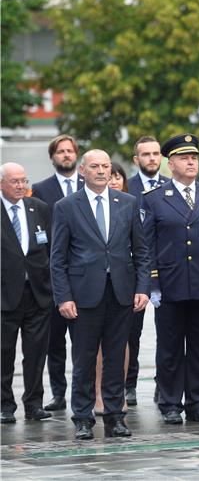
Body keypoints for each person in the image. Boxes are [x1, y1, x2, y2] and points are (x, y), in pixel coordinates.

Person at [50, 149, 150, 440]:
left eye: (106, 166)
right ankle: (82, 418)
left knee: (117, 358)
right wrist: (63, 297)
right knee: (83, 358)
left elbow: (142, 252)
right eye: (94, 166)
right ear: (82, 170)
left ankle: (115, 416)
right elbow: (58, 258)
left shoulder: (127, 203)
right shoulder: (67, 206)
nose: (102, 171)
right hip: (83, 295)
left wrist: (142, 288)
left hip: (120, 293)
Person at [141, 134, 199, 425]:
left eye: (194, 157)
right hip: (170, 285)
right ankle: (170, 402)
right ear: (170, 163)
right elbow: (147, 246)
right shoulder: (155, 199)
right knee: (170, 348)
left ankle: (197, 402)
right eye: (184, 158)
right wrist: (153, 284)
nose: (191, 162)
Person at [31, 134, 84, 412]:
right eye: (61, 152)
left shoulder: (88, 186)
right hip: (54, 277)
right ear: (53, 157)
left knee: (83, 341)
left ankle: (82, 390)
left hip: (85, 275)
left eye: (70, 151)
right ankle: (59, 393)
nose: (66, 155)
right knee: (54, 341)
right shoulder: (40, 189)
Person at [1, 163, 53, 424]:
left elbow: (52, 249)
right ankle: (4, 405)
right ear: (1, 183)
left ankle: (34, 404)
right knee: (4, 352)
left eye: (24, 181)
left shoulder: (38, 209)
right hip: (4, 296)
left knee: (35, 353)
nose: (21, 186)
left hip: (37, 294)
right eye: (14, 182)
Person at [124, 136, 167, 407]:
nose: (152, 158)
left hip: (167, 269)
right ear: (136, 159)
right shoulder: (127, 187)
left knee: (168, 332)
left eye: (155, 154)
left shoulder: (169, 184)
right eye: (146, 154)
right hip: (135, 269)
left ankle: (164, 385)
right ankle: (129, 383)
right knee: (132, 332)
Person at [94, 162, 131, 416]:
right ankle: (97, 394)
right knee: (94, 345)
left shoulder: (128, 203)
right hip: (92, 284)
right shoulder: (78, 205)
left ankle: (118, 394)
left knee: (120, 343)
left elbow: (141, 247)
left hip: (122, 283)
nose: (110, 178)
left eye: (115, 174)